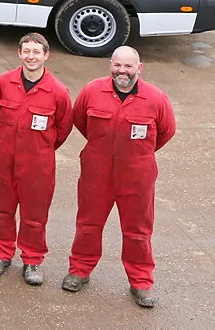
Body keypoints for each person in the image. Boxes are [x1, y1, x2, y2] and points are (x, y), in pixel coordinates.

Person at [62, 46, 177, 308]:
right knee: (88, 225)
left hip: (137, 176)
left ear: (139, 68)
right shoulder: (92, 91)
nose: (121, 71)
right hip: (96, 172)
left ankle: (141, 282)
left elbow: (166, 131)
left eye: (128, 66)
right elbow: (80, 120)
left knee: (138, 231)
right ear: (110, 65)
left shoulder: (156, 98)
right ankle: (80, 270)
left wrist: (137, 154)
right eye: (117, 65)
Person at [0, 32, 72, 285]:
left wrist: (40, 148)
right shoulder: (4, 82)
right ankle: (1, 254)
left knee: (35, 214)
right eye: (27, 51)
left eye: (36, 52)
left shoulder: (58, 91)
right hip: (3, 158)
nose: (31, 56)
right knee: (0, 209)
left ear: (46, 55)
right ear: (19, 54)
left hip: (38, 164)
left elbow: (63, 128)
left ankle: (32, 260)